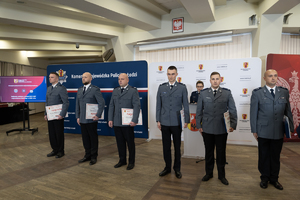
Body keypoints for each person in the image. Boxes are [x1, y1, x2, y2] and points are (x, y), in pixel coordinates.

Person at [250, 69, 294, 190]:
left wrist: (290, 127)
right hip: (263, 130)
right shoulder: (258, 93)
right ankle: (264, 178)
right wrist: (254, 130)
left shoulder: (284, 92)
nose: (273, 78)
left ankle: (274, 179)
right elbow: (253, 113)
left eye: (275, 76)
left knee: (275, 156)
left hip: (278, 131)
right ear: (265, 78)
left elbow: (288, 111)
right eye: (270, 76)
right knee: (264, 156)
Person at [196, 71, 237, 185]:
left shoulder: (226, 93)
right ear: (210, 81)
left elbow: (232, 109)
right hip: (207, 128)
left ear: (220, 80)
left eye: (217, 79)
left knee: (221, 153)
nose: (215, 81)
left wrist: (233, 124)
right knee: (208, 152)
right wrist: (199, 125)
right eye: (213, 79)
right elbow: (199, 111)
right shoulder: (203, 93)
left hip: (221, 128)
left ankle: (221, 175)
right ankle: (208, 173)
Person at [156, 66, 190, 179]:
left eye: (173, 74)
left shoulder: (182, 87)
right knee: (166, 147)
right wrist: (158, 120)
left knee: (177, 147)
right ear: (167, 74)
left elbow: (186, 104)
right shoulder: (161, 88)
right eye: (169, 74)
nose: (171, 76)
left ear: (177, 74)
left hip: (176, 122)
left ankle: (177, 169)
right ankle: (167, 167)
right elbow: (158, 105)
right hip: (164, 121)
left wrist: (187, 120)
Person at [108, 73, 140, 170]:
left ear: (127, 80)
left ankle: (131, 162)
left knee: (130, 143)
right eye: (119, 79)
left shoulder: (133, 91)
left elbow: (136, 106)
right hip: (117, 122)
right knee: (120, 143)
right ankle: (122, 160)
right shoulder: (115, 90)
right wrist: (110, 119)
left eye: (122, 79)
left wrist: (134, 120)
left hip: (128, 123)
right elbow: (111, 105)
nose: (120, 81)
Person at [76, 72, 105, 165]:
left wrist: (98, 115)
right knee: (85, 139)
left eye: (85, 77)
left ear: (91, 78)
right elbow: (77, 105)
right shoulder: (80, 90)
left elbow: (101, 103)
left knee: (93, 138)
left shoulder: (95, 90)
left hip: (92, 119)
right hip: (82, 119)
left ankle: (93, 156)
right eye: (82, 77)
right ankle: (87, 155)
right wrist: (77, 116)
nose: (83, 78)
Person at [44, 72, 69, 158]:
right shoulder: (49, 88)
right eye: (49, 77)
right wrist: (45, 113)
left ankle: (60, 151)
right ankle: (54, 150)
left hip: (58, 116)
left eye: (52, 77)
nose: (50, 78)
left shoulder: (61, 88)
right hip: (50, 115)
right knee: (52, 133)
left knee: (59, 133)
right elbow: (47, 102)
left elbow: (65, 103)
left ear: (57, 79)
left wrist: (62, 114)